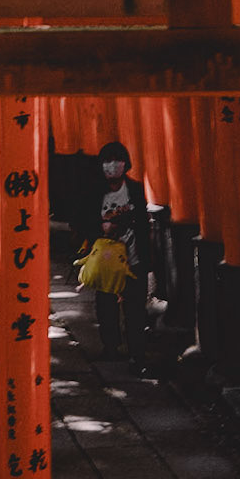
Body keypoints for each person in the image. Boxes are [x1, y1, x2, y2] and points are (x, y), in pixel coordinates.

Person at [78, 140, 151, 369]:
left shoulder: (136, 190)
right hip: (106, 260)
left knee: (135, 308)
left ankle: (137, 351)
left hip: (133, 258)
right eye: (107, 161)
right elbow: (84, 222)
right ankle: (110, 347)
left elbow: (144, 225)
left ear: (125, 164)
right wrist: (101, 228)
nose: (112, 165)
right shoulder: (94, 193)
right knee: (106, 306)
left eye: (116, 160)